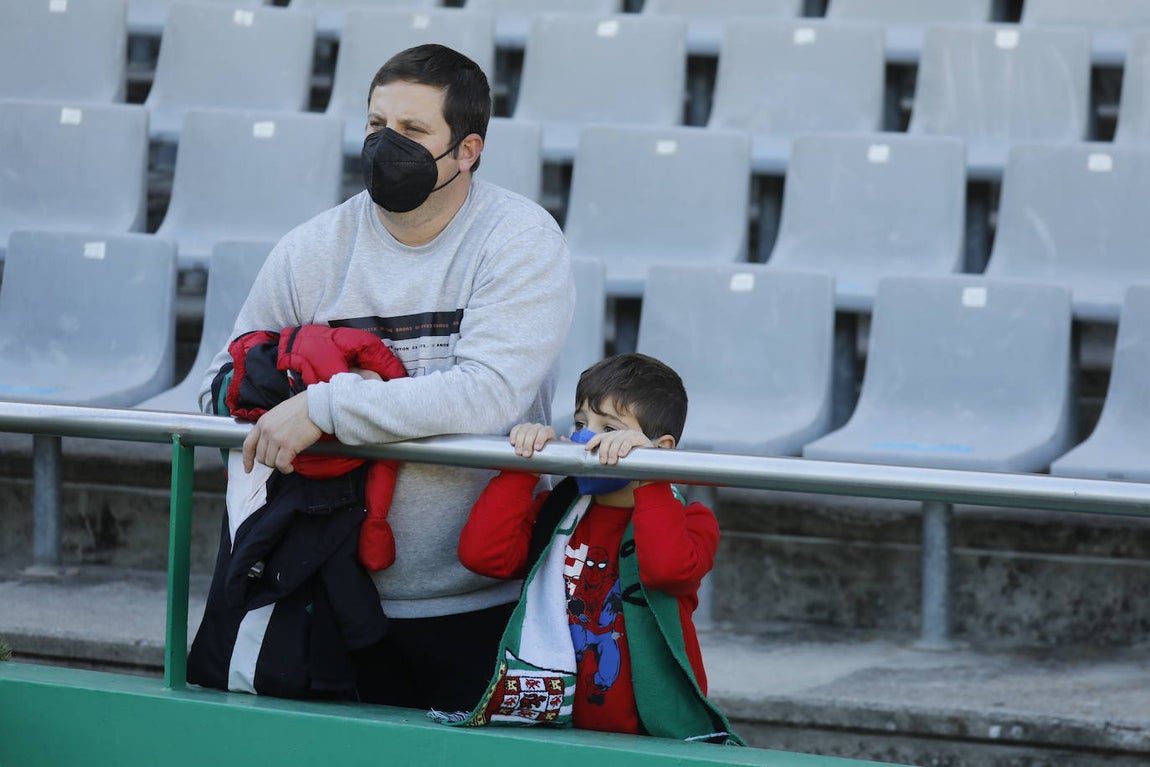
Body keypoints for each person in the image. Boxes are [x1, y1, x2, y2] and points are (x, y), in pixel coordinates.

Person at [199, 43, 574, 711]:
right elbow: (221, 380)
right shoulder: (314, 247)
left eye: (412, 131)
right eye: (376, 126)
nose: (385, 145)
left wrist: (325, 405)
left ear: (468, 150)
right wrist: (277, 382)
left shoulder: (519, 239)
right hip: (324, 592)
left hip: (480, 600)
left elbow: (486, 394)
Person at [448, 353, 743, 745]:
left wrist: (650, 473)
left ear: (662, 446)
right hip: (554, 724)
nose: (587, 439)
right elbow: (483, 555)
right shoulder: (559, 510)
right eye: (581, 424)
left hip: (647, 731)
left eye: (610, 428)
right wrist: (523, 468)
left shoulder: (691, 518)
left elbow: (667, 570)